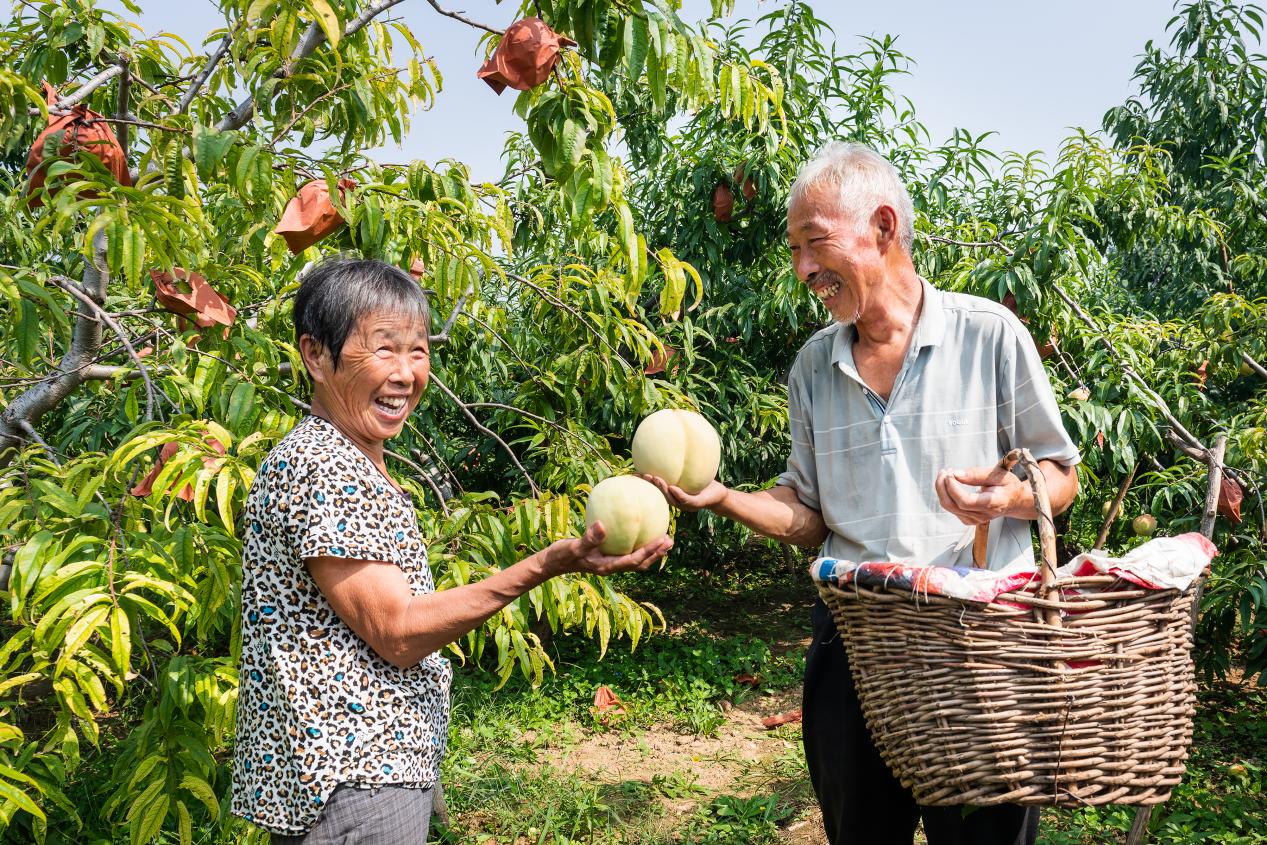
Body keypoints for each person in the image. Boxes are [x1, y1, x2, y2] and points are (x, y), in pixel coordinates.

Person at [644, 142, 1080, 845]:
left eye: (813, 244)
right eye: (794, 250)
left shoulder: (988, 335)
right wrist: (721, 496)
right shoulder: (814, 365)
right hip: (856, 640)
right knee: (859, 830)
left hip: (978, 649)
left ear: (881, 228)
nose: (802, 270)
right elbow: (807, 512)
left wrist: (1007, 497)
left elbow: (1061, 476)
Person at [230, 257, 672, 843]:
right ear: (315, 354)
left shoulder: (350, 457)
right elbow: (397, 631)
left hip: (360, 770)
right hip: (355, 775)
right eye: (383, 349)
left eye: (417, 350)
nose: (406, 373)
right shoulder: (324, 468)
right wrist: (546, 564)